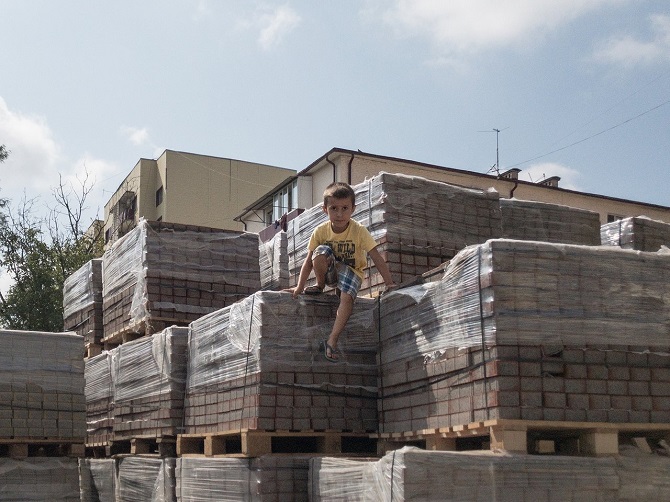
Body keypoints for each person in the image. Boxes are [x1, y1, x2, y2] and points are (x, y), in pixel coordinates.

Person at [289, 182, 396, 362]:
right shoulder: (320, 231)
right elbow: (308, 262)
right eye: (334, 208)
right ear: (325, 210)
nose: (339, 214)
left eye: (345, 208)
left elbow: (376, 257)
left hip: (352, 272)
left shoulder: (359, 231)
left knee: (346, 299)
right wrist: (299, 287)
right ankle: (320, 284)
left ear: (353, 209)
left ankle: (332, 339)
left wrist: (389, 283)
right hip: (332, 270)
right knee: (320, 252)